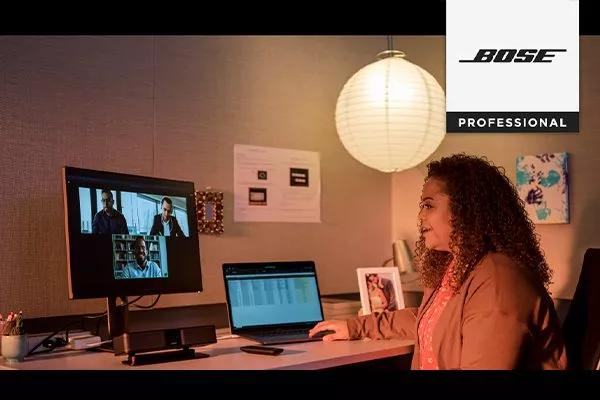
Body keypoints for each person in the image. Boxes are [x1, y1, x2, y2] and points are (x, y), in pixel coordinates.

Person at [309, 154, 567, 370]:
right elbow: (428, 319)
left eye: (429, 205)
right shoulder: (456, 266)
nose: (420, 216)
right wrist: (354, 326)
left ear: (465, 210)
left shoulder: (499, 281)